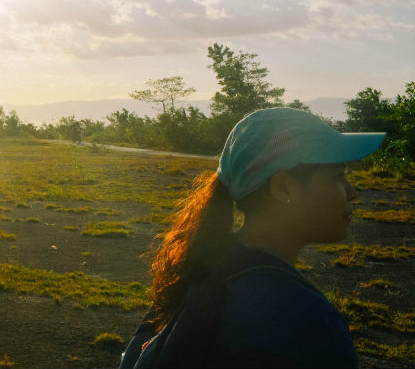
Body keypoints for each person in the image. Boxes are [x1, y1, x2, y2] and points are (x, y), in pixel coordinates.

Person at [120, 107, 385, 368]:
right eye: (339, 176)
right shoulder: (303, 319)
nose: (352, 193)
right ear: (284, 188)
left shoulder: (198, 270)